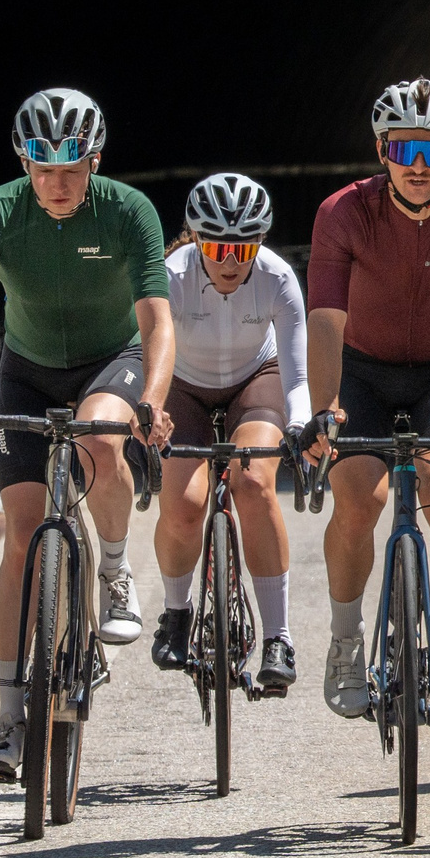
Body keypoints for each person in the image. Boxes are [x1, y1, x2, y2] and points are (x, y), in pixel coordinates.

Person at [0, 88, 174, 783]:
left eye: (72, 168)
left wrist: (154, 400)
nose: (57, 184)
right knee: (20, 537)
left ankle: (112, 568)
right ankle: (12, 715)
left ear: (95, 160)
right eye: (42, 169)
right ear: (25, 162)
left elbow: (159, 322)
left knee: (102, 437)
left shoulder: (129, 210)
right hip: (26, 369)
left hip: (114, 360)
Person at [300, 78, 430, 727]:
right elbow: (324, 322)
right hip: (362, 368)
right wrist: (326, 408)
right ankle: (345, 642)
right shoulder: (344, 212)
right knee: (359, 497)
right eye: (405, 150)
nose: (419, 167)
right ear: (381, 150)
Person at [148, 173, 311, 693]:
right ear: (197, 239)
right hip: (185, 385)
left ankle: (278, 637)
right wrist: (147, 407)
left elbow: (297, 374)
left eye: (243, 248)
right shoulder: (169, 276)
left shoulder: (278, 278)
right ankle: (176, 613)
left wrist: (303, 426)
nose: (230, 261)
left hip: (254, 380)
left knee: (254, 482)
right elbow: (148, 350)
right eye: (217, 247)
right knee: (186, 501)